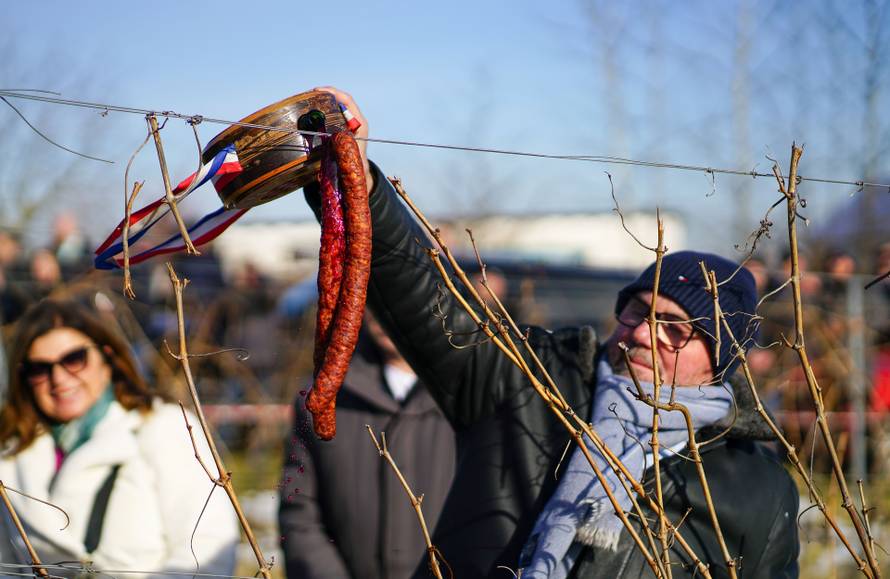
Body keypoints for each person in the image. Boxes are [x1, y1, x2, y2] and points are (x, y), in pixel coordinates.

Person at [301, 88, 799, 578]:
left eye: (674, 328)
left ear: (720, 357)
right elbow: (425, 298)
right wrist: (356, 180)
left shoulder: (757, 490)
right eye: (637, 312)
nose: (644, 334)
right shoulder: (530, 382)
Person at [0, 298, 239, 578]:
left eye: (74, 359)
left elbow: (206, 551)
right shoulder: (11, 451)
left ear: (107, 357)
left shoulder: (162, 426)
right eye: (39, 368)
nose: (59, 378)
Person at [278, 312, 456, 579]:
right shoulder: (321, 399)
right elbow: (299, 514)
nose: (388, 309)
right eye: (376, 296)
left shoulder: (467, 402)